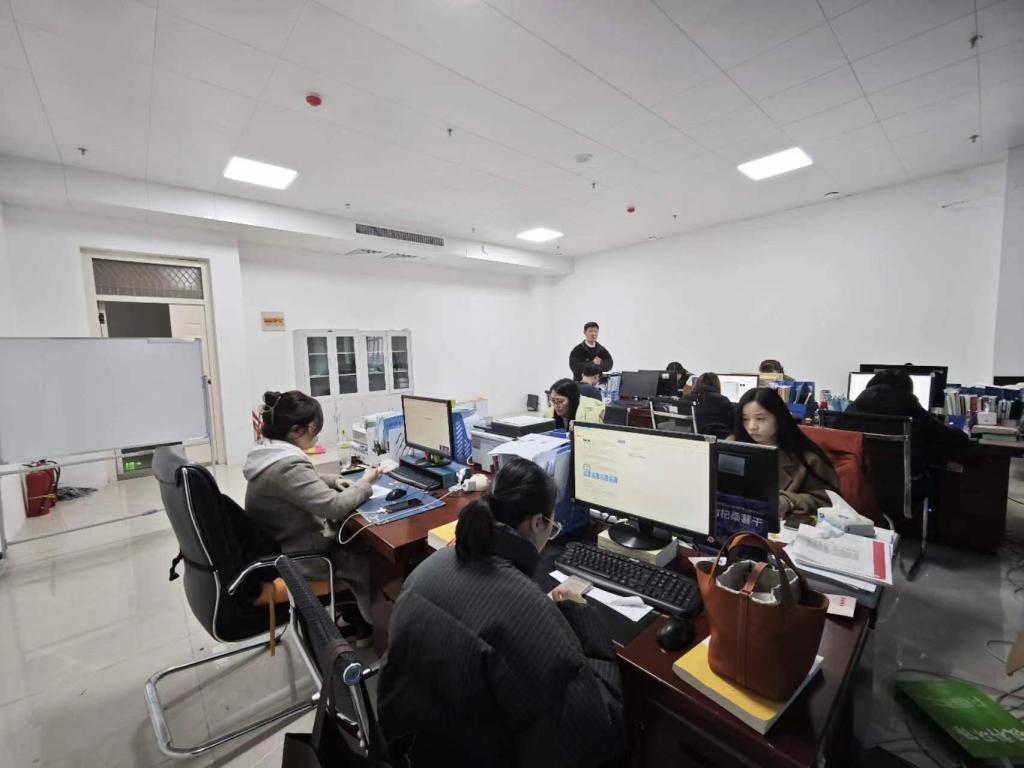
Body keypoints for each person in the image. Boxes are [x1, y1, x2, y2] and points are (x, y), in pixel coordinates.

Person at [378, 458, 627, 767]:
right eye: (553, 527)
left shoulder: (429, 568)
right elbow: (596, 732)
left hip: (412, 751)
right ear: (537, 523)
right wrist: (584, 620)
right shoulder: (527, 614)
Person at [243, 390, 383, 646]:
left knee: (355, 536)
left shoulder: (268, 453)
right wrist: (365, 483)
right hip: (302, 559)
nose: (317, 436)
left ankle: (353, 616)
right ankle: (375, 624)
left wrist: (333, 480)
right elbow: (334, 507)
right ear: (296, 430)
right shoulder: (286, 466)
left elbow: (303, 482)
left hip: (280, 548)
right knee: (373, 555)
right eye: (314, 430)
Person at [734, 387, 839, 525]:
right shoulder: (732, 446)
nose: (752, 427)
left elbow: (830, 502)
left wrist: (789, 501)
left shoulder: (808, 459)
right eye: (745, 419)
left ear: (778, 418)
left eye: (760, 419)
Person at [848, 369, 970, 480]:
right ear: (908, 391)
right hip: (904, 482)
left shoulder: (853, 409)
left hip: (858, 482)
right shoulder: (911, 410)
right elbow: (955, 439)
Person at [685, 372, 734, 439]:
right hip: (719, 441)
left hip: (692, 440)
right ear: (717, 385)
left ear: (697, 384)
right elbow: (732, 424)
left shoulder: (686, 399)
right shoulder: (723, 400)